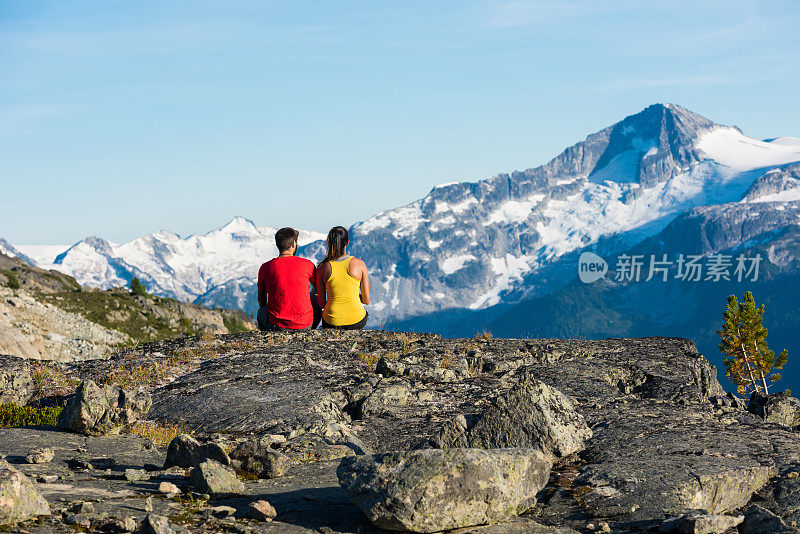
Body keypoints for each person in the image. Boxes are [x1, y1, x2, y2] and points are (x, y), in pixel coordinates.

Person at [256, 227, 321, 331]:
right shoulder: (307, 264)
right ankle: (311, 331)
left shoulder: (265, 267)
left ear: (277, 245)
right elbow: (318, 287)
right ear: (294, 244)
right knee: (316, 299)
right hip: (305, 325)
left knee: (261, 311)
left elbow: (261, 299)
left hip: (277, 326)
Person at [316, 226, 370, 330]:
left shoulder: (322, 267)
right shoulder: (360, 264)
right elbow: (366, 300)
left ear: (329, 243)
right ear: (347, 243)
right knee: (364, 313)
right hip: (356, 321)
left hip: (331, 321)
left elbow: (321, 304)